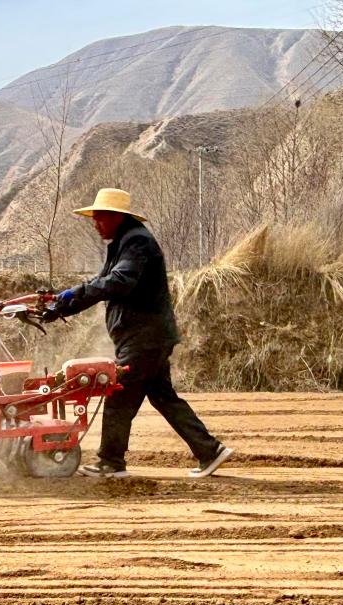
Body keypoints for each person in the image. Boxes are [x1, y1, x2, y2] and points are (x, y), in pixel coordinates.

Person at [44, 187, 233, 478]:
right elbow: (101, 284)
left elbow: (119, 282)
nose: (95, 224)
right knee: (163, 397)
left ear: (116, 217)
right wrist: (61, 307)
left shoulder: (137, 243)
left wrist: (75, 292)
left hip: (144, 337)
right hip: (145, 337)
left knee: (119, 394)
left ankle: (110, 462)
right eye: (94, 218)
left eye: (100, 217)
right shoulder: (123, 243)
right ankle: (209, 451)